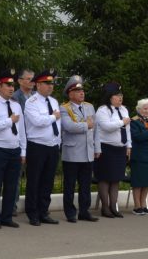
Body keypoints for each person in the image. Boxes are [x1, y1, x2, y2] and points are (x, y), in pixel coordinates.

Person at [0, 69, 25, 229]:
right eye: (7, 85)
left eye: (12, 85)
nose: (11, 88)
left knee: (11, 185)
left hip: (14, 150)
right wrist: (9, 121)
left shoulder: (16, 105)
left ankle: (7, 216)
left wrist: (23, 151)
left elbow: (22, 130)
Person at [23, 69, 62, 226]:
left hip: (52, 146)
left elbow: (57, 123)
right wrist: (53, 117)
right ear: (38, 85)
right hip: (37, 146)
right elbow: (37, 121)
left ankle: (43, 211)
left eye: (51, 83)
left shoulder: (53, 101)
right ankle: (32, 213)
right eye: (46, 83)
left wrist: (58, 141)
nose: (50, 86)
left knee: (48, 181)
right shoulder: (31, 102)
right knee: (34, 180)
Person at [59, 76, 99, 223]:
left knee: (85, 184)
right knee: (70, 185)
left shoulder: (89, 106)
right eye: (77, 90)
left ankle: (84, 211)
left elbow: (96, 129)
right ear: (70, 94)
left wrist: (97, 147)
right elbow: (68, 127)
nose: (81, 93)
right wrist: (85, 125)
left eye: (82, 90)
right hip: (72, 153)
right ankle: (70, 212)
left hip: (88, 152)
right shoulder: (64, 108)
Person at [94, 82, 131, 218]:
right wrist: (122, 122)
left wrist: (129, 145)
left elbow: (127, 130)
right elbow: (106, 126)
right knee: (105, 178)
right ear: (110, 97)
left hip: (120, 148)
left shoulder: (124, 110)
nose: (120, 98)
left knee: (116, 179)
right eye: (117, 95)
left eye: (121, 95)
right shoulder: (102, 110)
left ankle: (113, 206)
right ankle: (105, 207)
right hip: (106, 148)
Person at [11, 68, 35, 216]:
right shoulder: (14, 98)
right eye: (28, 79)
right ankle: (12, 206)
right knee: (16, 175)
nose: (31, 81)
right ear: (20, 81)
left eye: (33, 79)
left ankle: (32, 205)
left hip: (35, 141)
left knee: (34, 175)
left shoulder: (36, 97)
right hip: (20, 140)